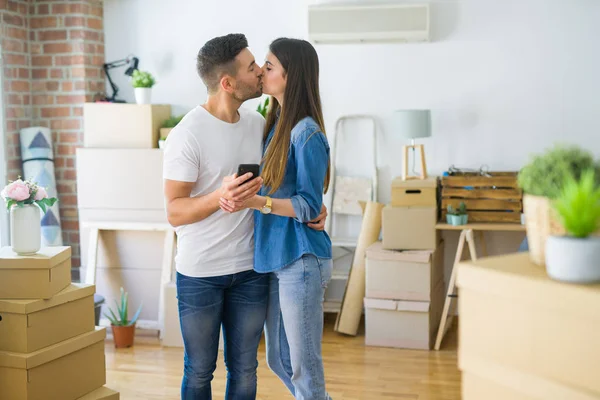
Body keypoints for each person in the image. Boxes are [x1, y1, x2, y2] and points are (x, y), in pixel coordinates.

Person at [163, 33, 326, 400]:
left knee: (247, 369)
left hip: (253, 270)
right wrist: (219, 196)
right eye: (253, 68)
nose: (259, 73)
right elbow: (174, 210)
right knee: (200, 369)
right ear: (227, 83)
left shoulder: (260, 124)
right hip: (201, 273)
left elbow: (290, 184)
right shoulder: (186, 135)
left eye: (263, 66)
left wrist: (314, 206)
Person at [220, 37, 333, 400]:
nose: (261, 72)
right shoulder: (275, 125)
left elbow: (308, 205)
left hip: (300, 259)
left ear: (290, 75)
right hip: (278, 258)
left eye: (269, 66)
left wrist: (255, 202)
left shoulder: (306, 132)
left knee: (303, 367)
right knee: (280, 361)